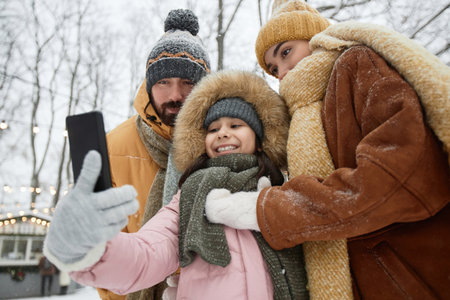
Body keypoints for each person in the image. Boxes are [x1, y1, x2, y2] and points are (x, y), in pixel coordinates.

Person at [204, 1, 450, 299]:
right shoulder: (300, 116)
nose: (282, 72)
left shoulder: (357, 64)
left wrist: (270, 210)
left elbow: (400, 174)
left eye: (286, 52)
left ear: (316, 39)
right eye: (273, 68)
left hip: (411, 274)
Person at [43, 70, 310, 300]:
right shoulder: (190, 197)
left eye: (236, 124)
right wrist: (90, 246)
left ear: (260, 138)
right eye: (213, 129)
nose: (223, 133)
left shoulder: (280, 190)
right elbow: (148, 252)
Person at [102, 8, 210, 300]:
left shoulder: (223, 142)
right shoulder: (114, 146)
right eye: (164, 82)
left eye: (188, 82)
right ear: (149, 86)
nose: (175, 95)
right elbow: (104, 249)